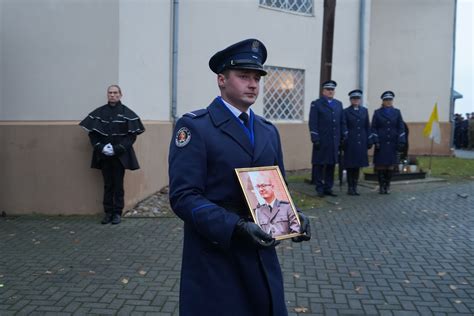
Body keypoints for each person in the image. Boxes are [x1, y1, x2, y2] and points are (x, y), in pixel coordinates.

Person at [168, 39, 311, 316]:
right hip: (217, 252)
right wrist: (235, 227)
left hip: (261, 252)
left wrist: (292, 217)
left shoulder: (267, 130)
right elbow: (183, 197)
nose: (253, 84)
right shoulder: (196, 126)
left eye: (256, 77)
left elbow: (276, 187)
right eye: (243, 76)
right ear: (221, 80)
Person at [79, 85, 145, 224]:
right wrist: (101, 147)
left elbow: (131, 136)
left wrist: (118, 148)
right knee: (108, 185)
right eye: (110, 93)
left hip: (119, 156)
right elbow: (93, 135)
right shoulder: (100, 112)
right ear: (107, 95)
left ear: (120, 95)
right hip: (104, 155)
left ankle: (117, 213)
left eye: (115, 93)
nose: (112, 95)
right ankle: (108, 212)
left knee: (118, 185)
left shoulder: (127, 112)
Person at [309, 80, 347, 197]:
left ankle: (328, 188)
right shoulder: (317, 104)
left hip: (334, 141)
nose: (330, 91)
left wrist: (344, 135)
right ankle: (319, 188)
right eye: (328, 89)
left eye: (332, 90)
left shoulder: (338, 104)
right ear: (323, 91)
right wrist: (315, 137)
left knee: (331, 165)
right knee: (320, 165)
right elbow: (313, 122)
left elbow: (342, 121)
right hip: (322, 140)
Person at [370, 91, 406, 194]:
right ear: (383, 101)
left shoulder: (397, 112)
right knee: (381, 165)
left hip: (393, 143)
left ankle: (388, 185)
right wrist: (376, 140)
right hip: (381, 143)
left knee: (390, 165)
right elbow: (374, 128)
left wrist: (401, 140)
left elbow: (401, 127)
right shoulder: (377, 112)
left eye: (390, 100)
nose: (389, 102)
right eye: (386, 100)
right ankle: (381, 186)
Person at [342, 90, 370, 195]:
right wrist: (345, 137)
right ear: (350, 100)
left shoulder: (364, 111)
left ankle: (355, 186)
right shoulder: (346, 111)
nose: (356, 100)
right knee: (350, 166)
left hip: (361, 141)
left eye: (357, 99)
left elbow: (367, 126)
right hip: (351, 141)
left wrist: (368, 139)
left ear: (360, 100)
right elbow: (344, 125)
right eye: (354, 99)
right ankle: (350, 187)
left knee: (358, 165)